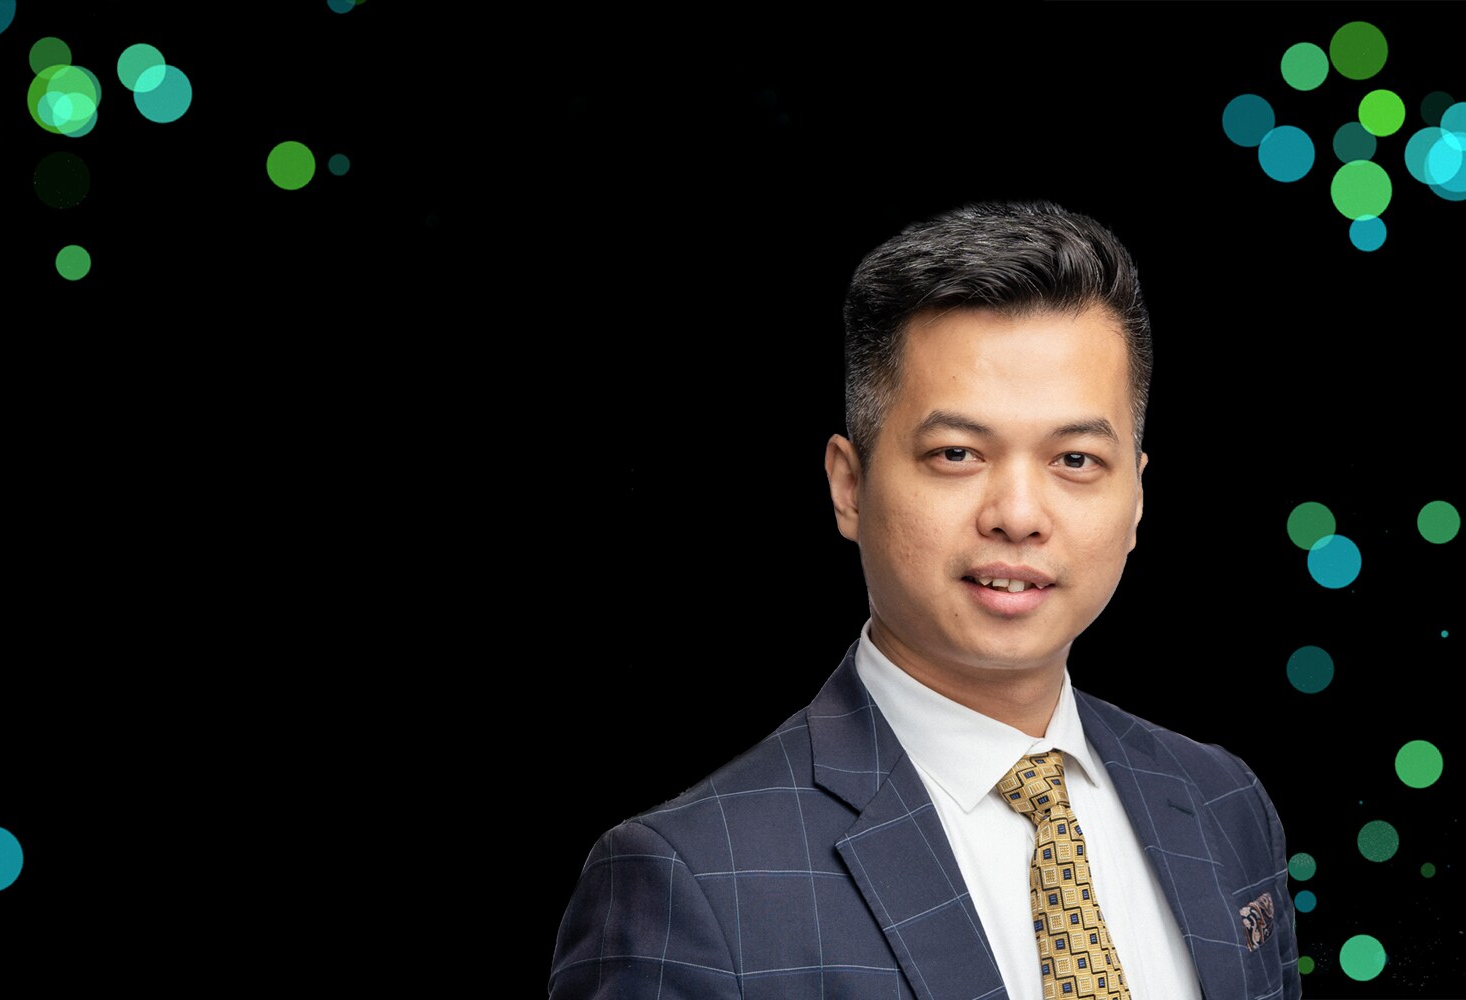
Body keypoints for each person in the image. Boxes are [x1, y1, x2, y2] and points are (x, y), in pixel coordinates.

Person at [547, 202, 1297, 1000]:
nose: (1018, 515)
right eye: (957, 453)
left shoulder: (1223, 804)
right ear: (849, 485)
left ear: (1137, 497)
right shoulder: (689, 881)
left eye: (1075, 459)